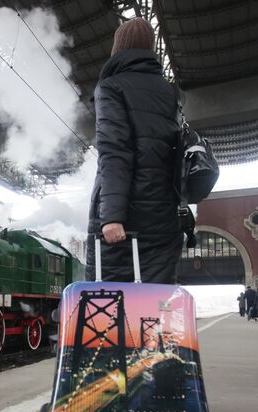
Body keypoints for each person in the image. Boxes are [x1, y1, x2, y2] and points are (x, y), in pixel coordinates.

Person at [86, 18, 182, 283]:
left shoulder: (111, 87)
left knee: (107, 309)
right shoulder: (171, 92)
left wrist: (112, 217)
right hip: (163, 220)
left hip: (125, 219)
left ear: (118, 47)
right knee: (156, 307)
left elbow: (115, 151)